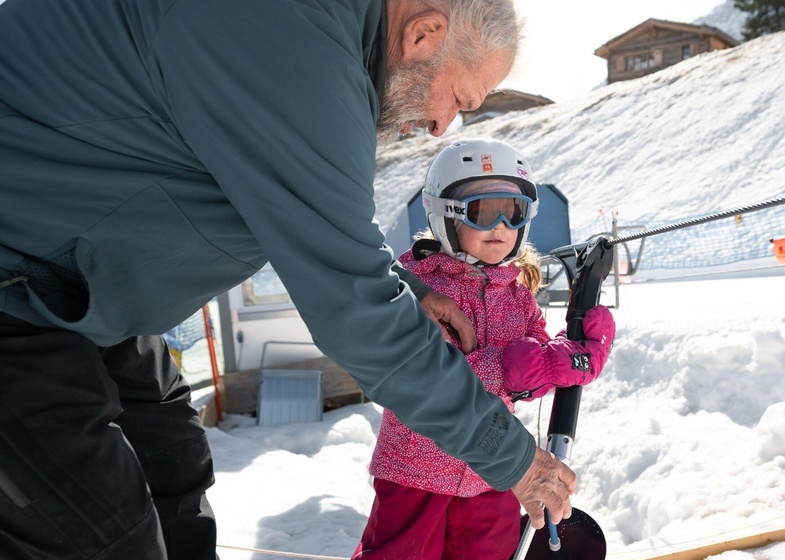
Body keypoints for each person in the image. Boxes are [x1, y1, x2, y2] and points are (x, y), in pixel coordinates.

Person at [0, 1, 576, 559]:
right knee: (103, 537)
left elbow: (306, 220)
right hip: (20, 288)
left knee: (173, 468)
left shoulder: (319, 38)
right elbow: (358, 312)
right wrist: (515, 462)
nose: (440, 125)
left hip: (88, 291)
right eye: (459, 99)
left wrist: (411, 290)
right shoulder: (292, 40)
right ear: (423, 34)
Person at [353, 138, 615, 559]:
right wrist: (508, 367)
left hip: (491, 471)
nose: (501, 226)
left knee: (492, 553)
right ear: (446, 216)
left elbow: (533, 364)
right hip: (417, 470)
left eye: (514, 212)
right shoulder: (420, 288)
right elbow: (429, 376)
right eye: (483, 211)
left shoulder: (517, 294)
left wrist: (574, 356)